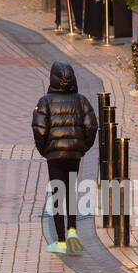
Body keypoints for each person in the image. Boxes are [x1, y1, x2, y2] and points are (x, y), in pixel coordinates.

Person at [31, 61, 98, 255]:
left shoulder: (45, 101)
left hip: (54, 155)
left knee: (58, 193)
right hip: (74, 153)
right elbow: (91, 126)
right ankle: (72, 229)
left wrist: (45, 150)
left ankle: (60, 241)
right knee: (71, 189)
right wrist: (82, 147)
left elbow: (39, 129)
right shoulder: (81, 100)